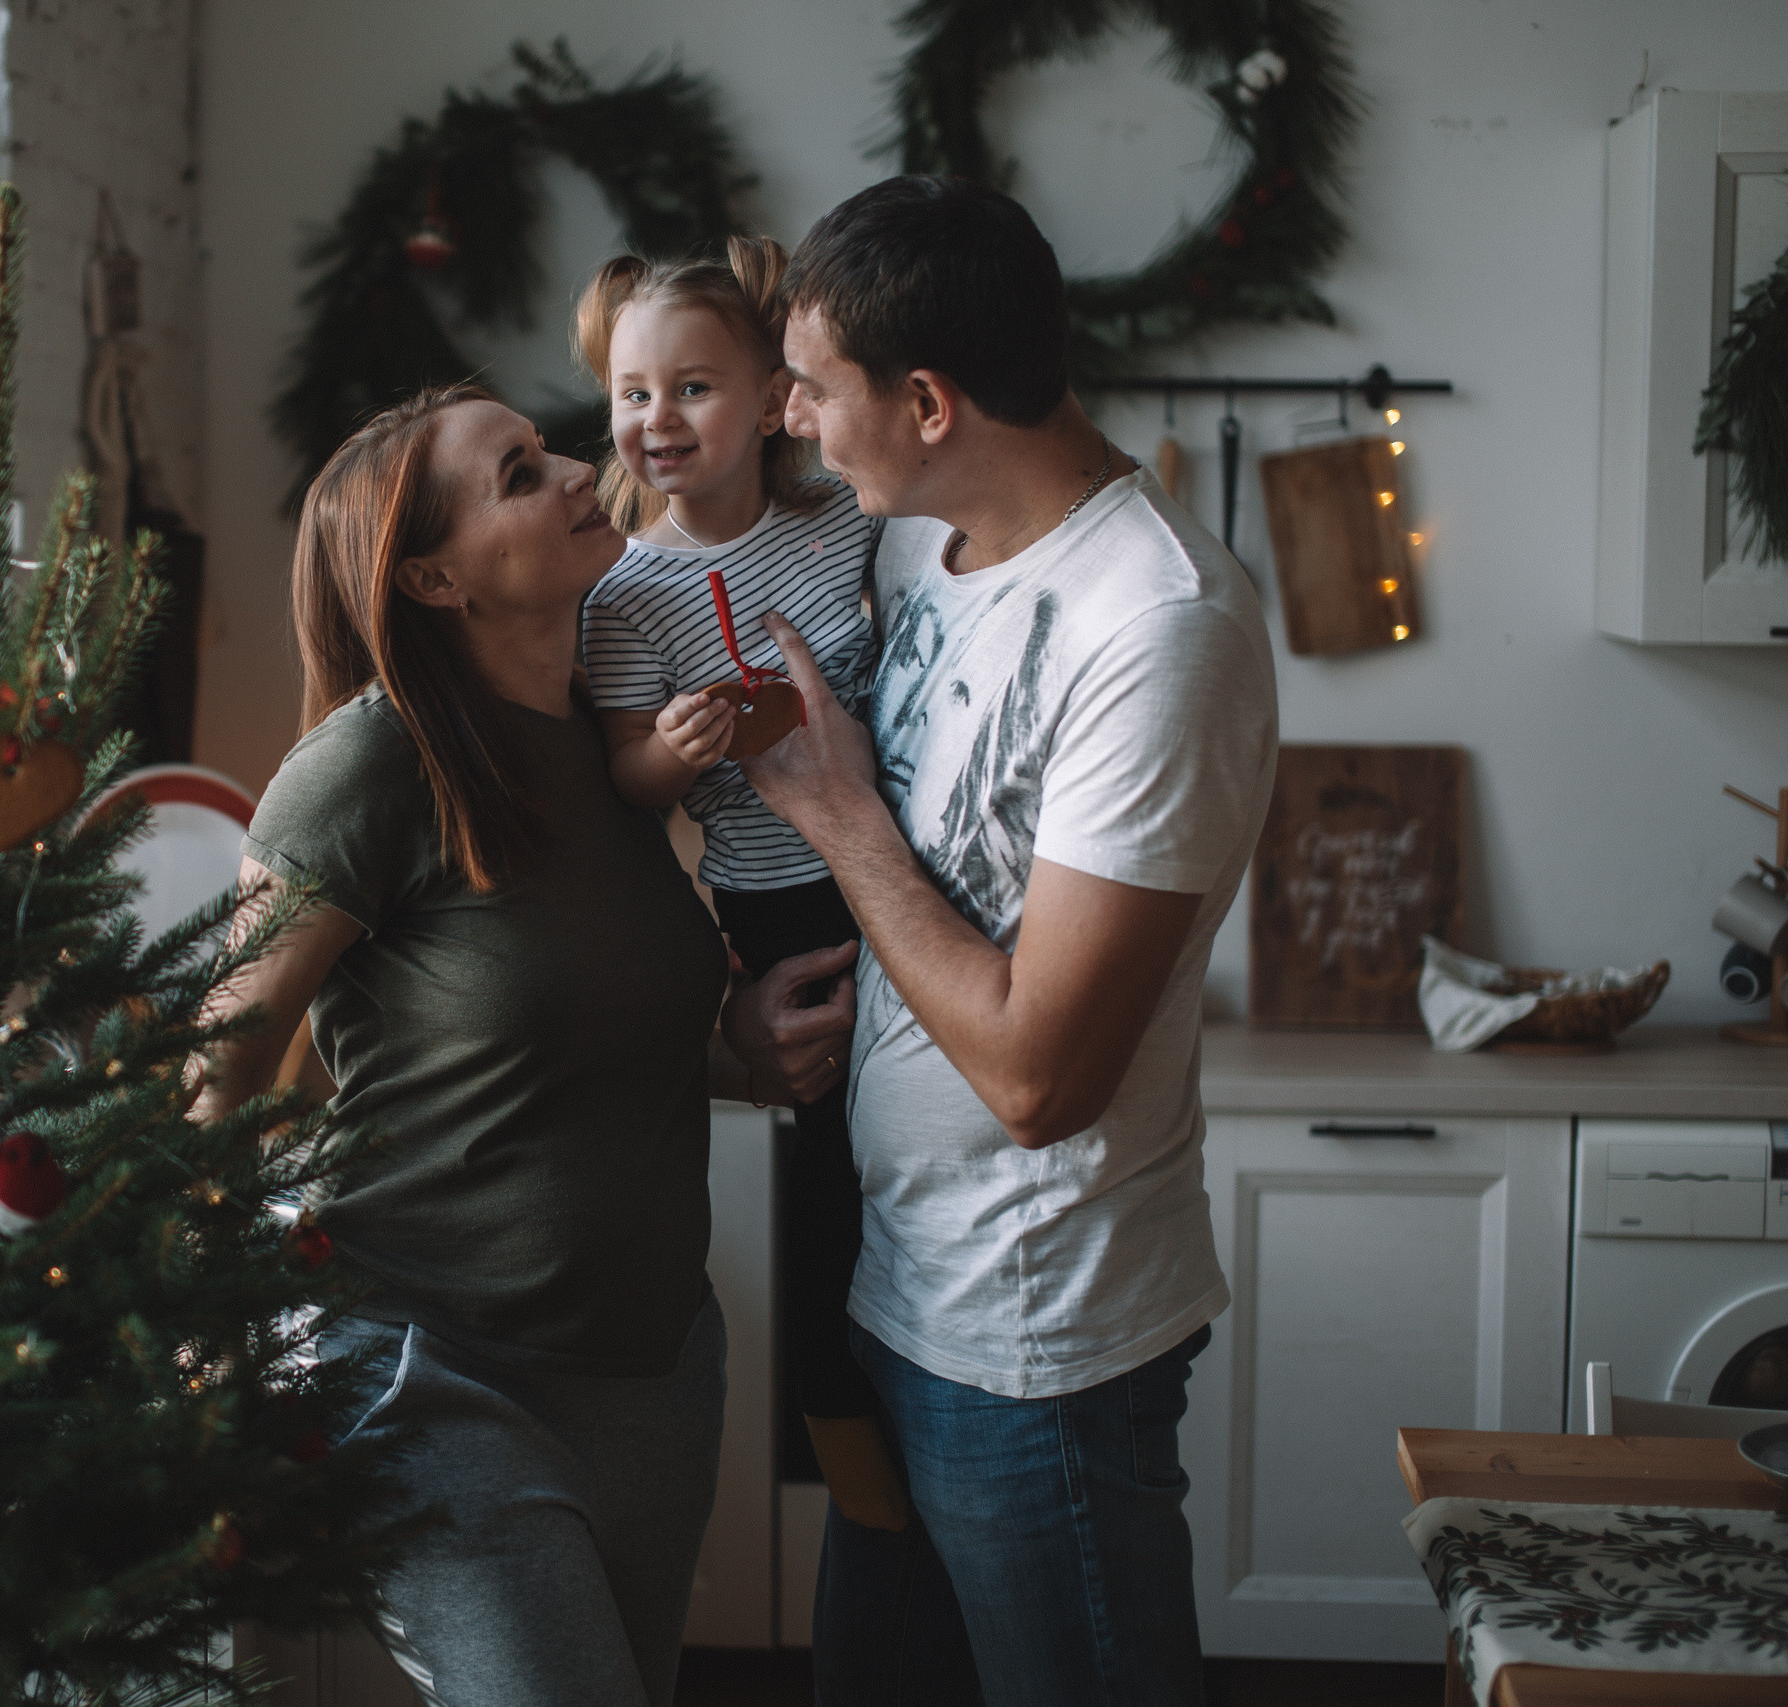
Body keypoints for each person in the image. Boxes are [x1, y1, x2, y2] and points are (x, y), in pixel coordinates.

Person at [190, 383, 857, 1707]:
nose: (572, 472)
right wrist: (200, 1338)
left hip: (659, 1374)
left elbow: (570, 1027)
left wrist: (739, 1049)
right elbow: (218, 1066)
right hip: (433, 1376)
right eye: (515, 474)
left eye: (544, 449)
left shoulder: (624, 754)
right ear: (433, 575)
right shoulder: (369, 767)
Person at [742, 177, 1282, 1707]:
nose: (788, 413)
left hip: (1037, 1344)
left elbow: (1043, 1077)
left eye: (814, 384)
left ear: (926, 401)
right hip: (893, 1286)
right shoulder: (921, 545)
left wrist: (842, 821)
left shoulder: (1159, 626)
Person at [569, 238, 908, 1539]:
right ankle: (841, 1436)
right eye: (633, 394)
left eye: (693, 389)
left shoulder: (839, 528)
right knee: (831, 1169)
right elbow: (627, 777)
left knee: (915, 1158)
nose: (657, 420)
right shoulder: (625, 594)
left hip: (897, 868)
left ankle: (929, 1403)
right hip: (781, 907)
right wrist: (676, 747)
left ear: (774, 398)